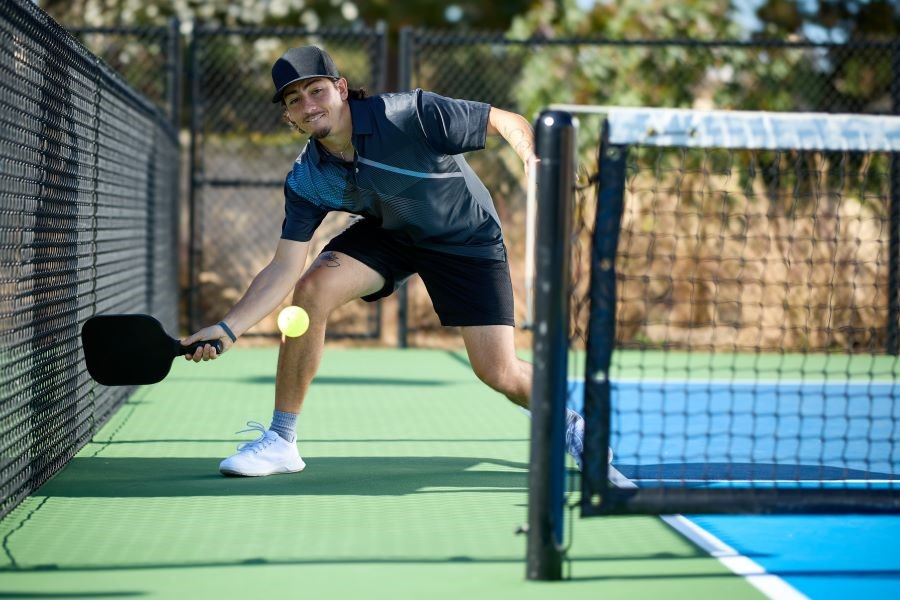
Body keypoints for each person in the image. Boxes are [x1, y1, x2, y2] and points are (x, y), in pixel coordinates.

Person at [180, 45, 585, 476]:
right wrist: (227, 329)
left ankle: (570, 425)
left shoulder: (409, 114)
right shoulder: (307, 179)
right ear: (288, 117)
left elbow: (501, 118)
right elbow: (283, 267)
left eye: (316, 91)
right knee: (310, 291)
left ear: (340, 88)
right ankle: (281, 440)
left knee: (499, 372)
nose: (308, 105)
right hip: (390, 233)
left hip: (465, 237)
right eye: (294, 101)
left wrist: (531, 158)